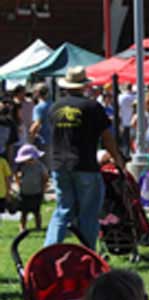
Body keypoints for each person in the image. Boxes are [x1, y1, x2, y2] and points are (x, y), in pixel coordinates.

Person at [44, 67, 126, 247]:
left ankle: (49, 251)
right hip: (85, 164)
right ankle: (87, 253)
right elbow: (107, 137)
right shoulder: (92, 107)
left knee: (63, 210)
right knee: (88, 212)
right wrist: (117, 158)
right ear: (84, 86)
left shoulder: (54, 107)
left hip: (59, 164)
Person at [15, 143, 48, 232]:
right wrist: (19, 182)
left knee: (37, 212)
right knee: (24, 213)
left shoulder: (40, 166)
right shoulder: (22, 166)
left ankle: (38, 226)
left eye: (30, 159)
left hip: (37, 192)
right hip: (24, 193)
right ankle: (22, 227)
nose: (29, 161)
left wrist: (44, 188)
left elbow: (45, 177)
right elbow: (17, 176)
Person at [28, 84, 52, 165]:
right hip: (52, 139)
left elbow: (36, 124)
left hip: (41, 140)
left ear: (37, 93)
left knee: (41, 165)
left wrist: (30, 139)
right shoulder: (53, 104)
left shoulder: (39, 107)